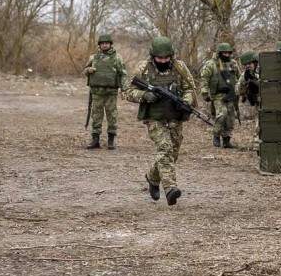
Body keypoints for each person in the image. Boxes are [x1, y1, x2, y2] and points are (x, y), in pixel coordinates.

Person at [125, 36, 197, 206]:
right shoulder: (143, 68)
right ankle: (171, 189)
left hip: (174, 117)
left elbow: (190, 88)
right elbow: (128, 91)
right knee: (165, 149)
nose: (163, 61)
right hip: (154, 118)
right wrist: (145, 95)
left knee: (172, 154)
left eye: (166, 58)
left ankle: (152, 177)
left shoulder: (180, 67)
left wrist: (186, 101)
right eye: (160, 58)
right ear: (153, 56)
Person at [83, 33, 128, 150]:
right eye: (102, 43)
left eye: (106, 43)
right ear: (99, 45)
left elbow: (122, 74)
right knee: (96, 115)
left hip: (111, 91)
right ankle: (95, 140)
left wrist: (124, 89)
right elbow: (84, 71)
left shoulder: (117, 58)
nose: (104, 45)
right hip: (97, 91)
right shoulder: (93, 57)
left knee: (112, 115)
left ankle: (111, 140)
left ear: (110, 44)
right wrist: (89, 70)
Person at [199, 42, 241, 148]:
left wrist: (241, 90)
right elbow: (204, 79)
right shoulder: (211, 64)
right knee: (222, 114)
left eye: (228, 53)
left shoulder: (233, 64)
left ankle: (227, 140)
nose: (226, 55)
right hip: (217, 95)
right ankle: (216, 135)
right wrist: (204, 92)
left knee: (230, 118)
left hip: (231, 94)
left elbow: (240, 77)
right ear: (219, 53)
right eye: (224, 53)